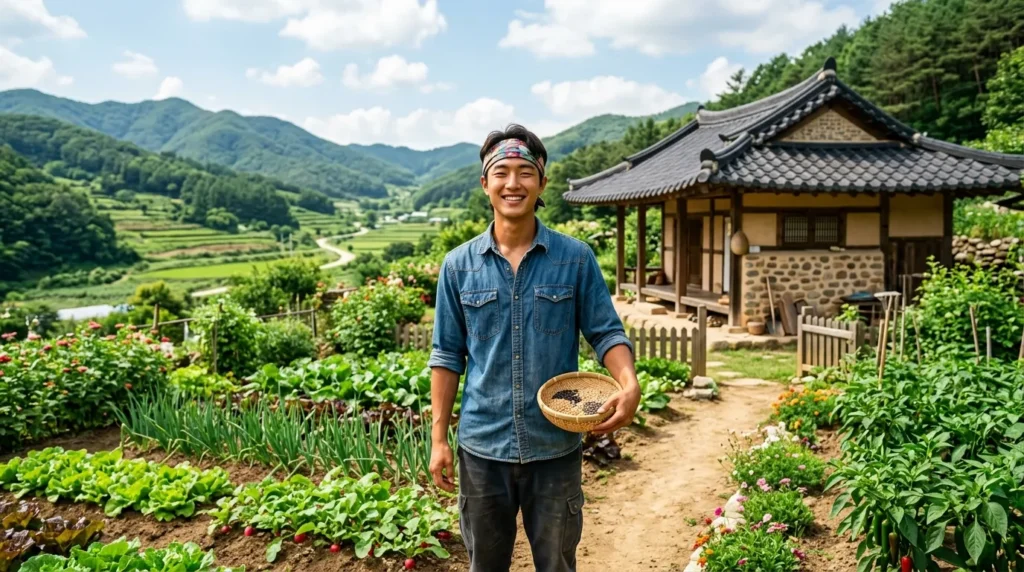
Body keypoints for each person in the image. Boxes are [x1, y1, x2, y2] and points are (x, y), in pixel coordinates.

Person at [426, 123, 640, 572]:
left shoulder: (574, 258)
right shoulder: (458, 266)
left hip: (554, 448)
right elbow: (447, 356)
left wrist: (628, 380)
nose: (513, 183)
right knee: (485, 565)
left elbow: (605, 332)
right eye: (501, 172)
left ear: (542, 182)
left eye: (525, 171)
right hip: (483, 447)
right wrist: (439, 439)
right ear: (485, 183)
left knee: (557, 564)